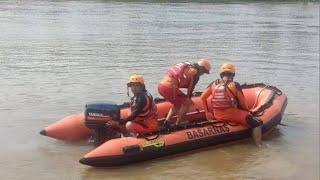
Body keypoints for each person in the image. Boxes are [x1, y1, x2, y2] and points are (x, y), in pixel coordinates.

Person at [200, 62, 263, 146]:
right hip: (231, 114)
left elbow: (202, 98)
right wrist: (248, 113)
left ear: (221, 74)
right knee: (257, 123)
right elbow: (243, 105)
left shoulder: (213, 84)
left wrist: (207, 112)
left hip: (217, 115)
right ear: (233, 74)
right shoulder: (235, 85)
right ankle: (259, 145)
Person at [158, 59, 211, 127]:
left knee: (177, 104)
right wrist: (188, 98)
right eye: (204, 72)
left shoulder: (187, 65)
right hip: (170, 87)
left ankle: (167, 122)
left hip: (161, 85)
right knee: (187, 102)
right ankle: (178, 123)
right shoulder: (195, 73)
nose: (203, 74)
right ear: (201, 68)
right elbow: (190, 90)